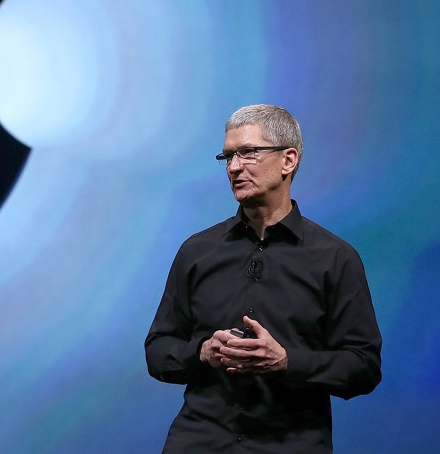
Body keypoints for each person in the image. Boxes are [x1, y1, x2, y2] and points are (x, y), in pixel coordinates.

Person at [145, 104, 382, 452]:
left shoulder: (335, 258)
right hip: (199, 443)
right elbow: (158, 351)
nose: (234, 167)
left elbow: (363, 366)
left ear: (288, 160)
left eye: (248, 153)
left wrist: (286, 361)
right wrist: (203, 352)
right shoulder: (197, 251)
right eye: (227, 157)